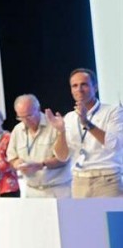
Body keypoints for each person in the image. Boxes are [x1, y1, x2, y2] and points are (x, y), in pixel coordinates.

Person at [45, 68, 123, 198]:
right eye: (74, 86)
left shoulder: (112, 112)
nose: (79, 89)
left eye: (84, 84)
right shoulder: (69, 117)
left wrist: (86, 123)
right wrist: (61, 132)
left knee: (109, 219)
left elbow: (115, 145)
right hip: (79, 181)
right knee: (82, 219)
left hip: (108, 180)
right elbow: (62, 156)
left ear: (95, 87)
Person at [7, 95, 71, 198]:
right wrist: (16, 163)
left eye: (29, 116)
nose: (26, 120)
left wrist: (41, 165)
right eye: (21, 117)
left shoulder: (55, 125)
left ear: (38, 109)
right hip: (31, 191)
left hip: (58, 189)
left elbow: (64, 159)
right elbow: (12, 157)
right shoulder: (17, 130)